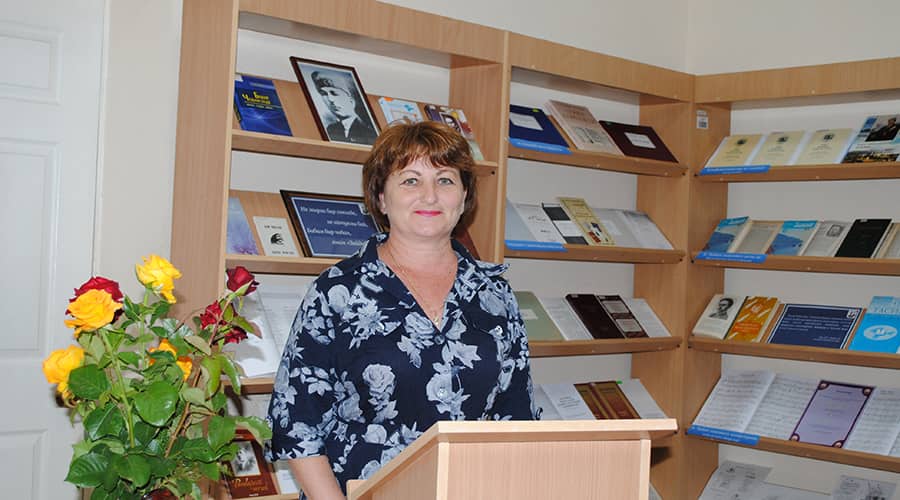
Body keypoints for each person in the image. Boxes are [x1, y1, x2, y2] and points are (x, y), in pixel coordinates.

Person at [267, 120, 537, 499]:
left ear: (463, 198)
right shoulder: (337, 290)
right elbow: (296, 419)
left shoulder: (495, 293)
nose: (430, 196)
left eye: (445, 180)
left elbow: (517, 414)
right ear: (381, 197)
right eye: (410, 180)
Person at [311, 71, 378, 145]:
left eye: (334, 93)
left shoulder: (368, 132)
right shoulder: (330, 129)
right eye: (324, 94)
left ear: (350, 99)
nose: (330, 99)